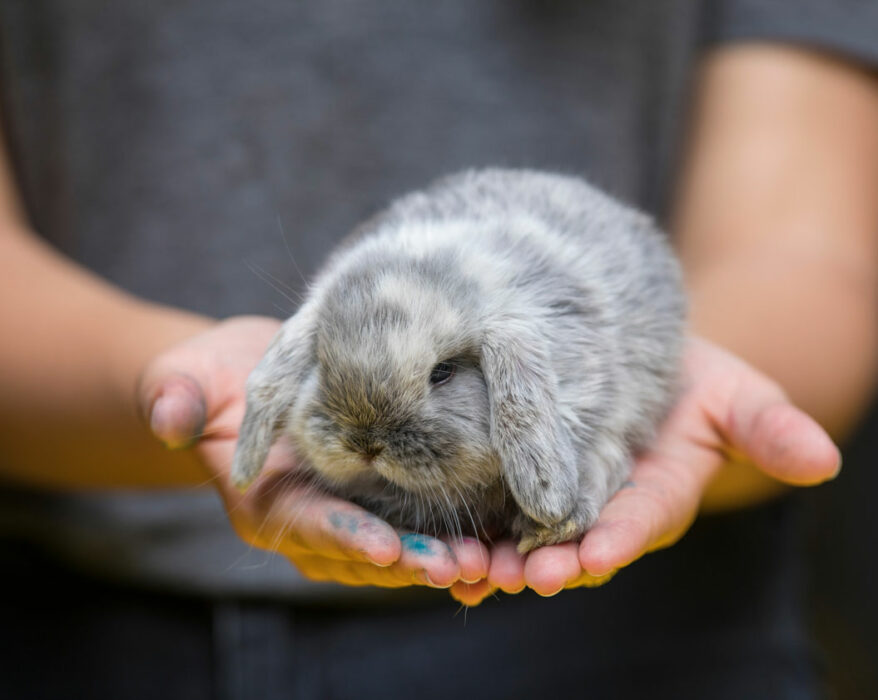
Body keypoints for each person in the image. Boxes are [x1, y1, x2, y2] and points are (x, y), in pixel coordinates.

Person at [0, 2, 876, 698]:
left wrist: (587, 458)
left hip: (629, 642)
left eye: (446, 379)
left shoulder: (538, 353)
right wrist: (178, 389)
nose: (371, 447)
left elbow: (808, 251)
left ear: (504, 367)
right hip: (71, 622)